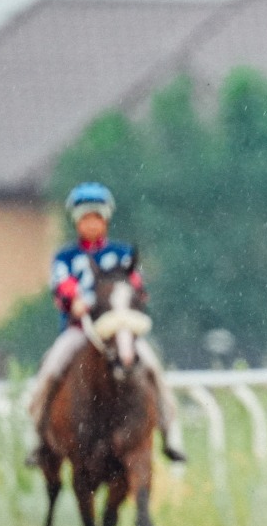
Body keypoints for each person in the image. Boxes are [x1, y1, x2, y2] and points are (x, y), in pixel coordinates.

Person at [25, 182, 186, 463]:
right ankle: (38, 436)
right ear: (77, 222)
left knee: (153, 368)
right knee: (50, 370)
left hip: (120, 331)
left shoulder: (123, 255)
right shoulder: (66, 257)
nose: (92, 224)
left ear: (106, 220)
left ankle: (169, 431)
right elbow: (61, 286)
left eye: (97, 218)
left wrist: (131, 297)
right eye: (86, 218)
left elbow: (137, 287)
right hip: (81, 331)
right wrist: (74, 300)